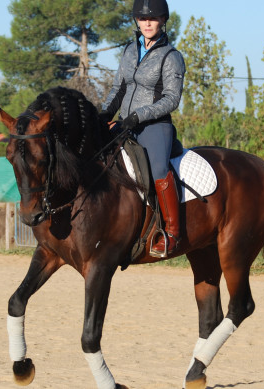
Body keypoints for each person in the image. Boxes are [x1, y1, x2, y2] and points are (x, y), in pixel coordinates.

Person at [99, 0, 185, 258]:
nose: (147, 23)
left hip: (154, 126)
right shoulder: (128, 51)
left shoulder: (172, 57)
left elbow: (172, 99)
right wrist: (103, 113)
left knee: (158, 169)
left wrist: (138, 116)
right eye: (142, 18)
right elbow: (118, 88)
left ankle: (171, 232)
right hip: (124, 123)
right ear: (136, 20)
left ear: (162, 21)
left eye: (154, 18)